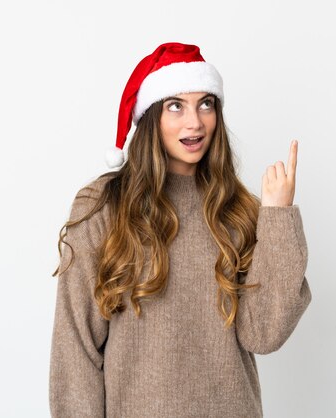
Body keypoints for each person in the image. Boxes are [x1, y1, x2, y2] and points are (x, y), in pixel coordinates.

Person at [49, 42, 312, 417]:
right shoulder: (104, 207)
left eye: (206, 103)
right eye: (176, 106)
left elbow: (263, 334)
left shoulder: (236, 210)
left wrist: (278, 218)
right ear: (150, 114)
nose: (195, 122)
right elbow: (75, 350)